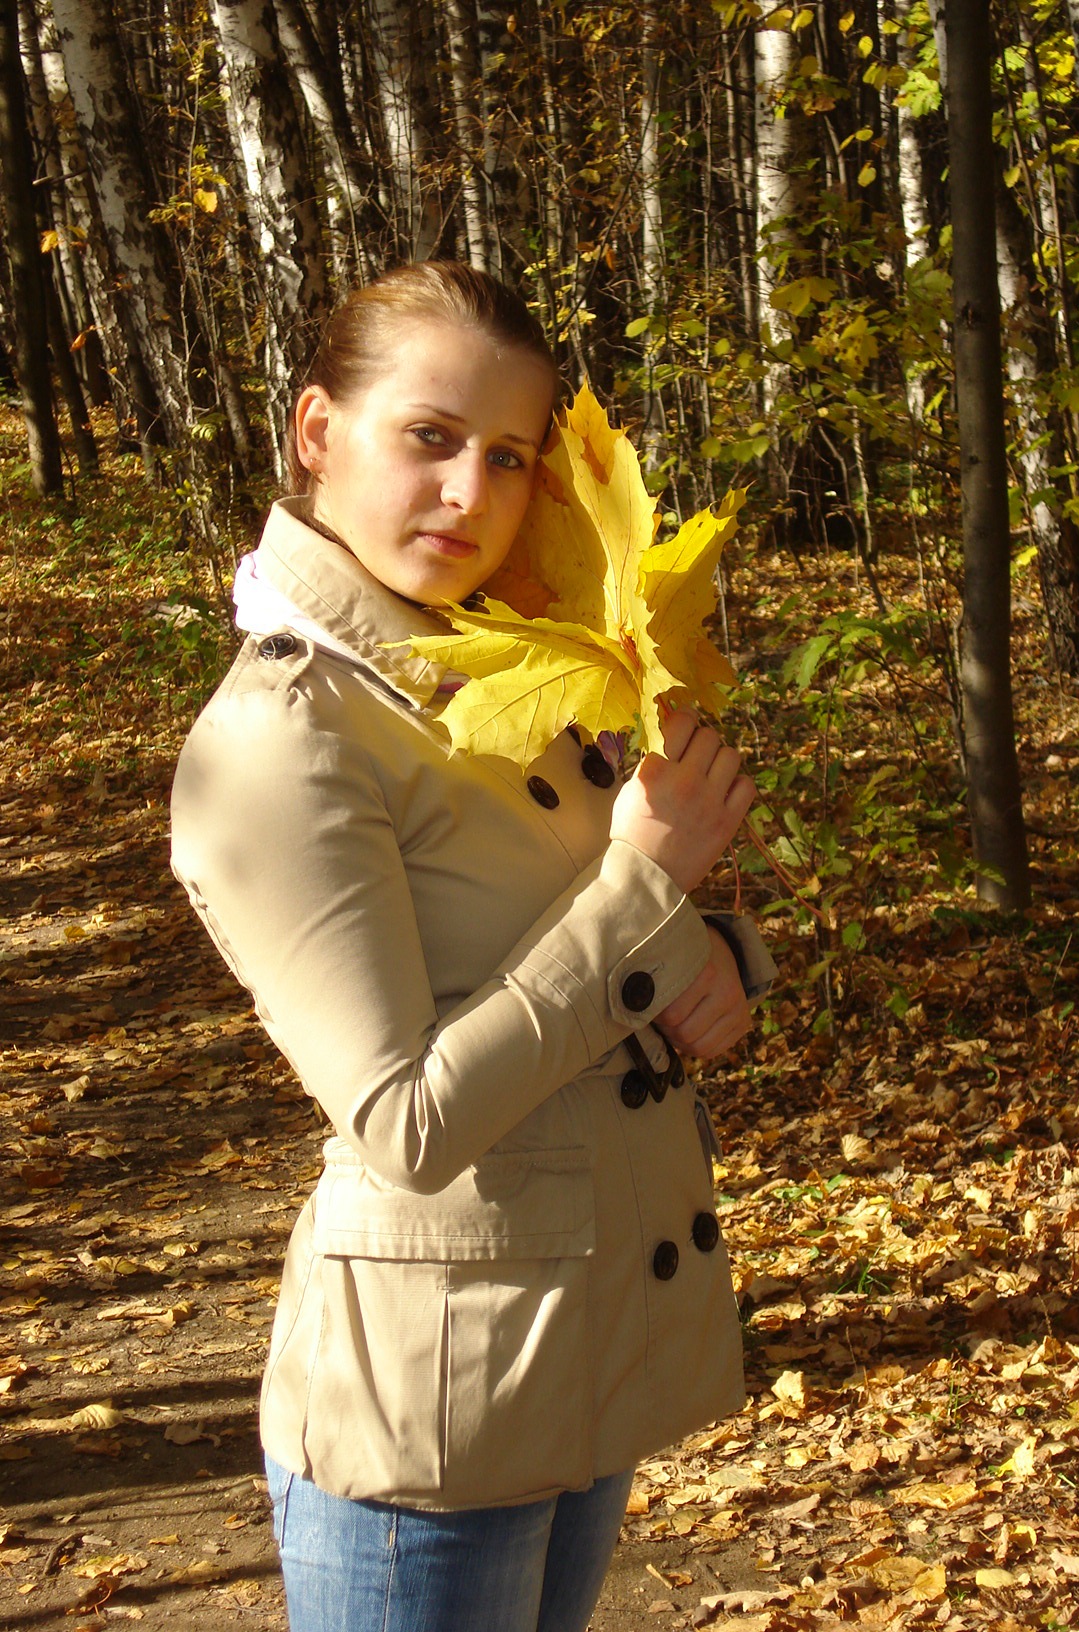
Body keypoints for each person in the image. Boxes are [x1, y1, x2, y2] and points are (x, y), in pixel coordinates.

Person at [169, 261, 775, 1632]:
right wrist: (647, 887)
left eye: (508, 456)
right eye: (429, 437)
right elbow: (405, 1119)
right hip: (433, 1415)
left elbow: (565, 928)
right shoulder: (285, 735)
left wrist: (710, 947)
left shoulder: (496, 667)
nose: (469, 493)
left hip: (577, 1342)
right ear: (318, 430)